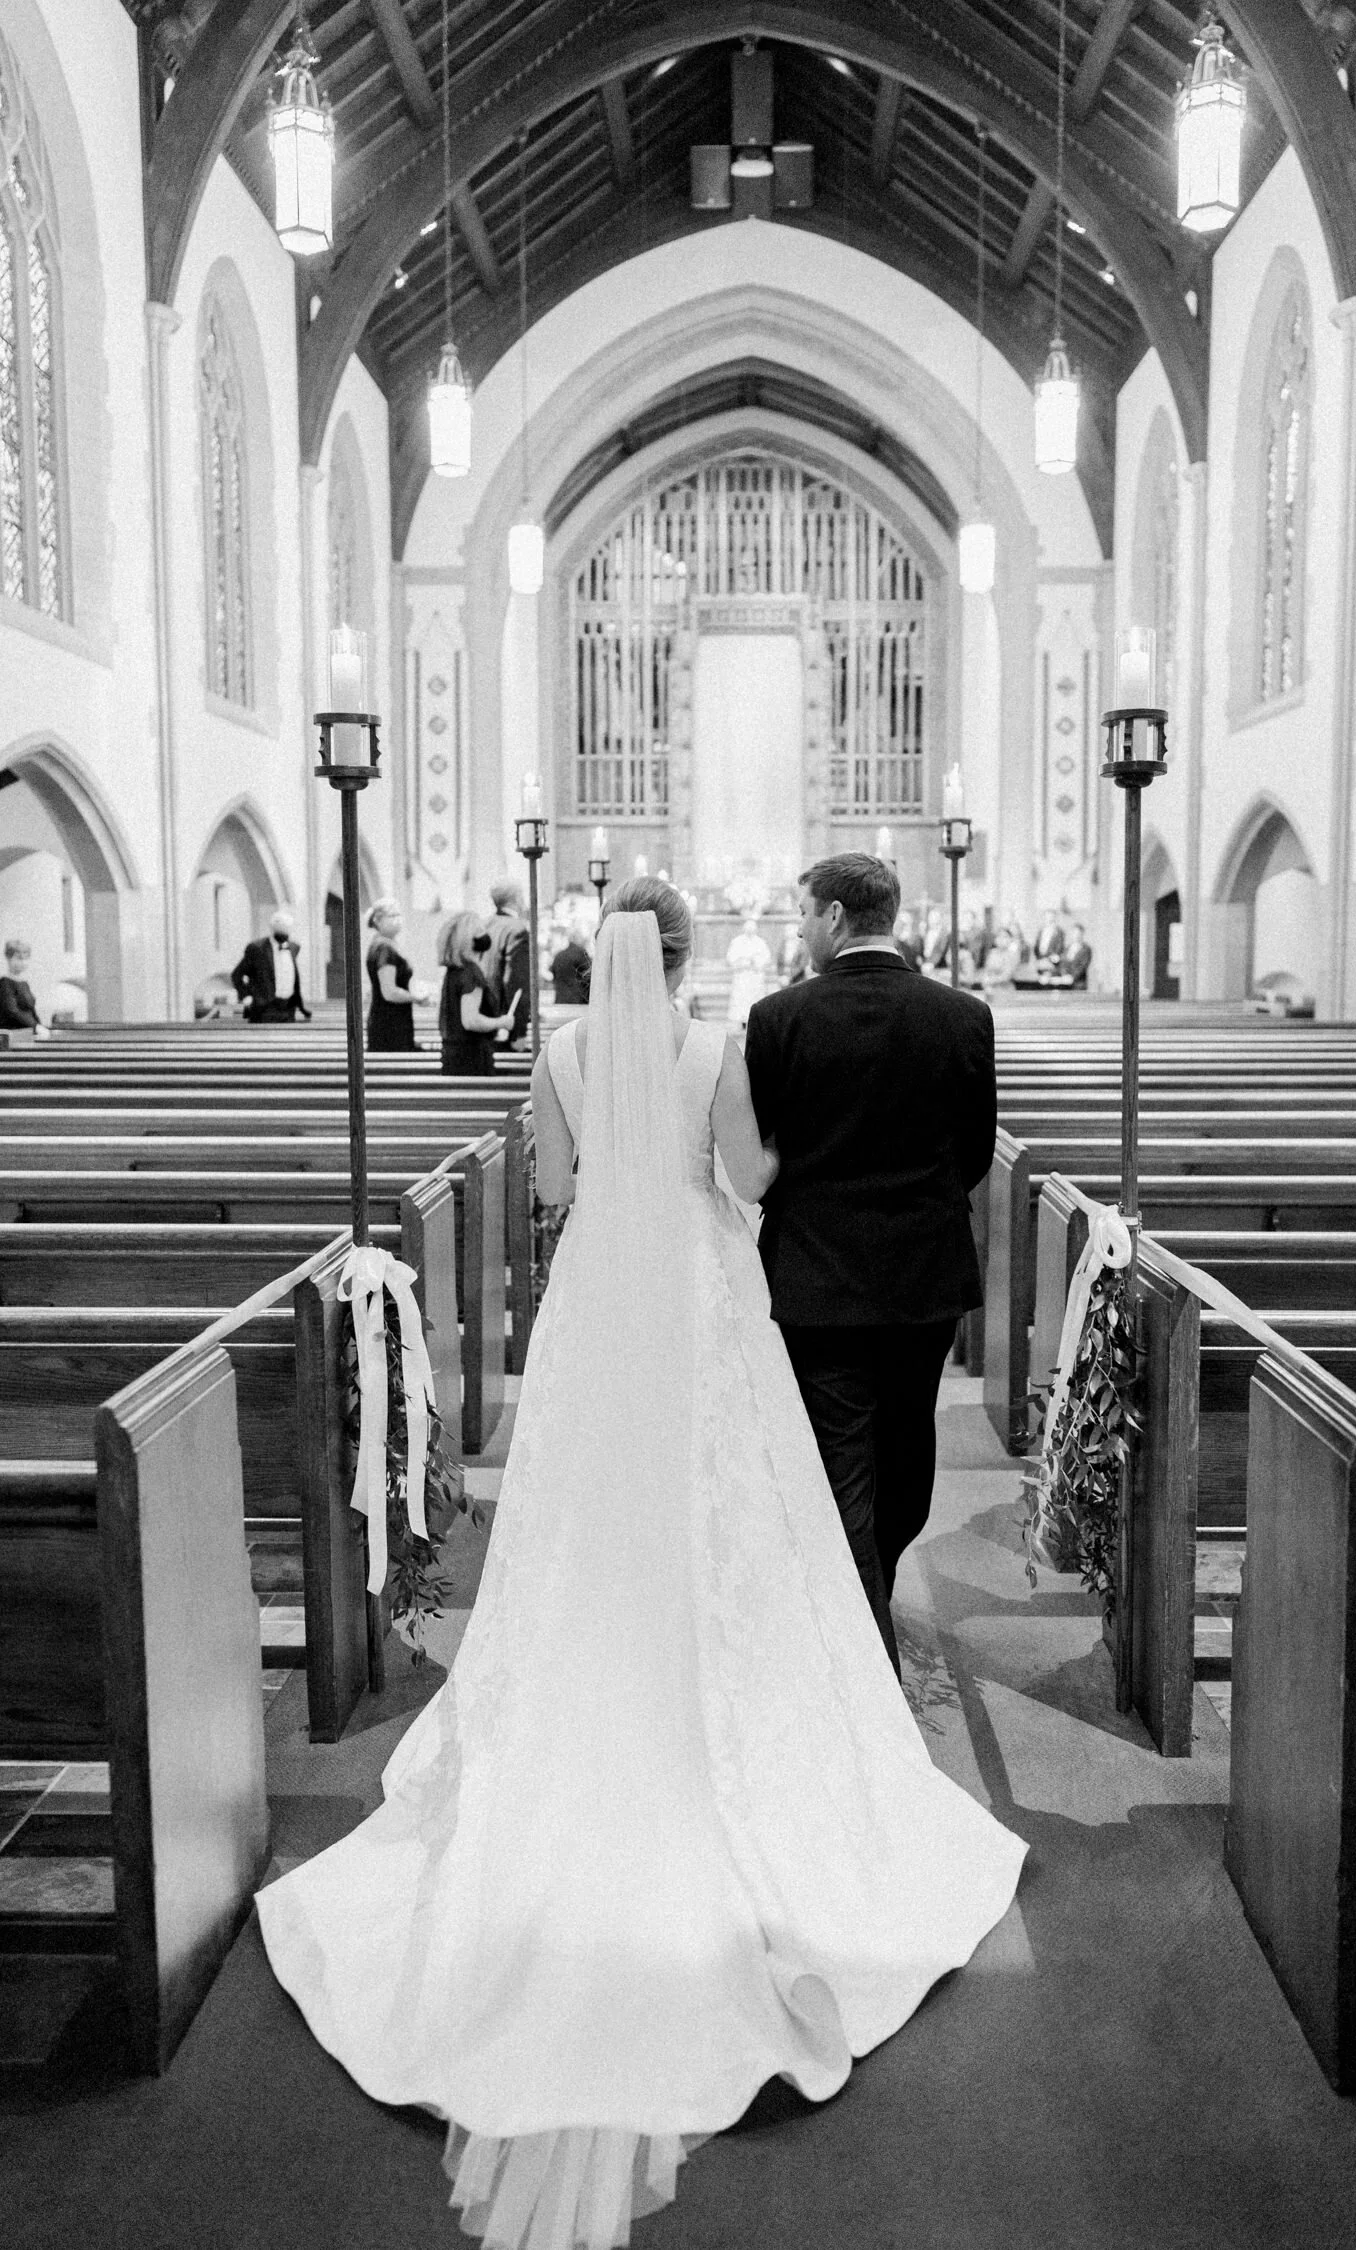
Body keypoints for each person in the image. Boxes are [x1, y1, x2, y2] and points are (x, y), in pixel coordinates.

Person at [256, 878, 1024, 2250]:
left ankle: (590, 1666)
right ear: (679, 957)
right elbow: (743, 1178)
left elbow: (553, 1187)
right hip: (696, 1291)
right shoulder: (712, 1045)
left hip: (602, 1290)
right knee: (729, 1499)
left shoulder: (556, 1050)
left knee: (575, 1507)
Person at [745, 855, 997, 1668]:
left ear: (840, 918)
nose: (802, 929)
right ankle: (868, 1618)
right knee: (905, 1445)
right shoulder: (962, 1015)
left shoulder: (777, 1017)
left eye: (806, 914)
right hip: (924, 1274)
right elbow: (975, 1152)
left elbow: (767, 1146)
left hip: (816, 1274)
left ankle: (861, 1612)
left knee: (841, 1459)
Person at [437, 910, 516, 1074]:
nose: (485, 935)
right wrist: (501, 1022)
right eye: (480, 930)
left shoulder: (454, 971)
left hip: (452, 1053)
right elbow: (471, 1020)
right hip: (472, 1056)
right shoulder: (471, 973)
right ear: (469, 938)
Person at [365, 899, 429, 1052]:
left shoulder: (387, 945)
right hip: (389, 1022)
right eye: (392, 915)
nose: (397, 919)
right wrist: (416, 998)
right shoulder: (384, 948)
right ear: (378, 920)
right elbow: (389, 992)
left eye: (398, 915)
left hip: (395, 1018)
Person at [230, 910, 311, 1023]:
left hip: (288, 1008)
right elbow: (236, 975)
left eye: (286, 929)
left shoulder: (294, 947)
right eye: (280, 929)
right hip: (263, 1008)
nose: (284, 934)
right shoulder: (257, 948)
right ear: (272, 929)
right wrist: (247, 997)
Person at [486, 879, 531, 1049]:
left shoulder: (484, 925)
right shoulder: (517, 930)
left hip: (486, 1017)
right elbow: (516, 983)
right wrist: (519, 1032)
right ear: (516, 899)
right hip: (507, 1022)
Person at [726, 913, 772, 1029]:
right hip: (742, 976)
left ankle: (754, 1021)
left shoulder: (760, 943)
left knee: (754, 999)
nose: (750, 931)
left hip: (755, 976)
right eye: (748, 929)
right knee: (742, 1000)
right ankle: (742, 1023)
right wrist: (742, 962)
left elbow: (766, 958)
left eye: (752, 929)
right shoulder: (737, 942)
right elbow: (731, 958)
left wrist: (755, 962)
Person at [0, 939, 45, 1035]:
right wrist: (35, 1026)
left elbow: (31, 1010)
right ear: (9, 958)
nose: (23, 962)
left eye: (25, 958)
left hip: (28, 1031)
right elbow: (12, 1011)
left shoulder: (24, 984)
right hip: (13, 1033)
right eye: (19, 958)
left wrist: (40, 1026)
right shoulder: (5, 984)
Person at [549, 924, 592, 1006]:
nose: (552, 942)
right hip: (578, 1002)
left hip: (563, 1002)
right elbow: (589, 976)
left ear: (562, 937)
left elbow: (554, 976)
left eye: (554, 938)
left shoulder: (559, 956)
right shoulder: (580, 953)